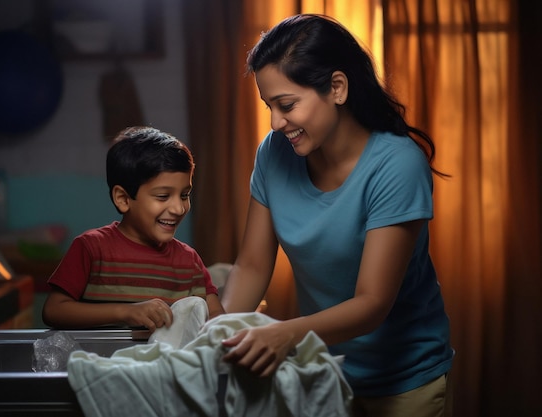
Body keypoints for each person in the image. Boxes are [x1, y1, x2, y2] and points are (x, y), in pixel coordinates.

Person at [220, 14, 454, 417]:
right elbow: (253, 265)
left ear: (337, 88)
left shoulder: (397, 166)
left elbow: (372, 303)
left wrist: (284, 334)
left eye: (287, 105)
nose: (276, 123)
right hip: (325, 373)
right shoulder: (274, 153)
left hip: (404, 382)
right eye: (269, 106)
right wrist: (215, 338)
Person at [42, 126, 224, 331]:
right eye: (163, 196)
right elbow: (54, 310)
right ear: (123, 199)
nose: (179, 208)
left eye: (184, 195)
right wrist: (126, 312)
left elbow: (216, 315)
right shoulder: (91, 248)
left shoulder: (189, 261)